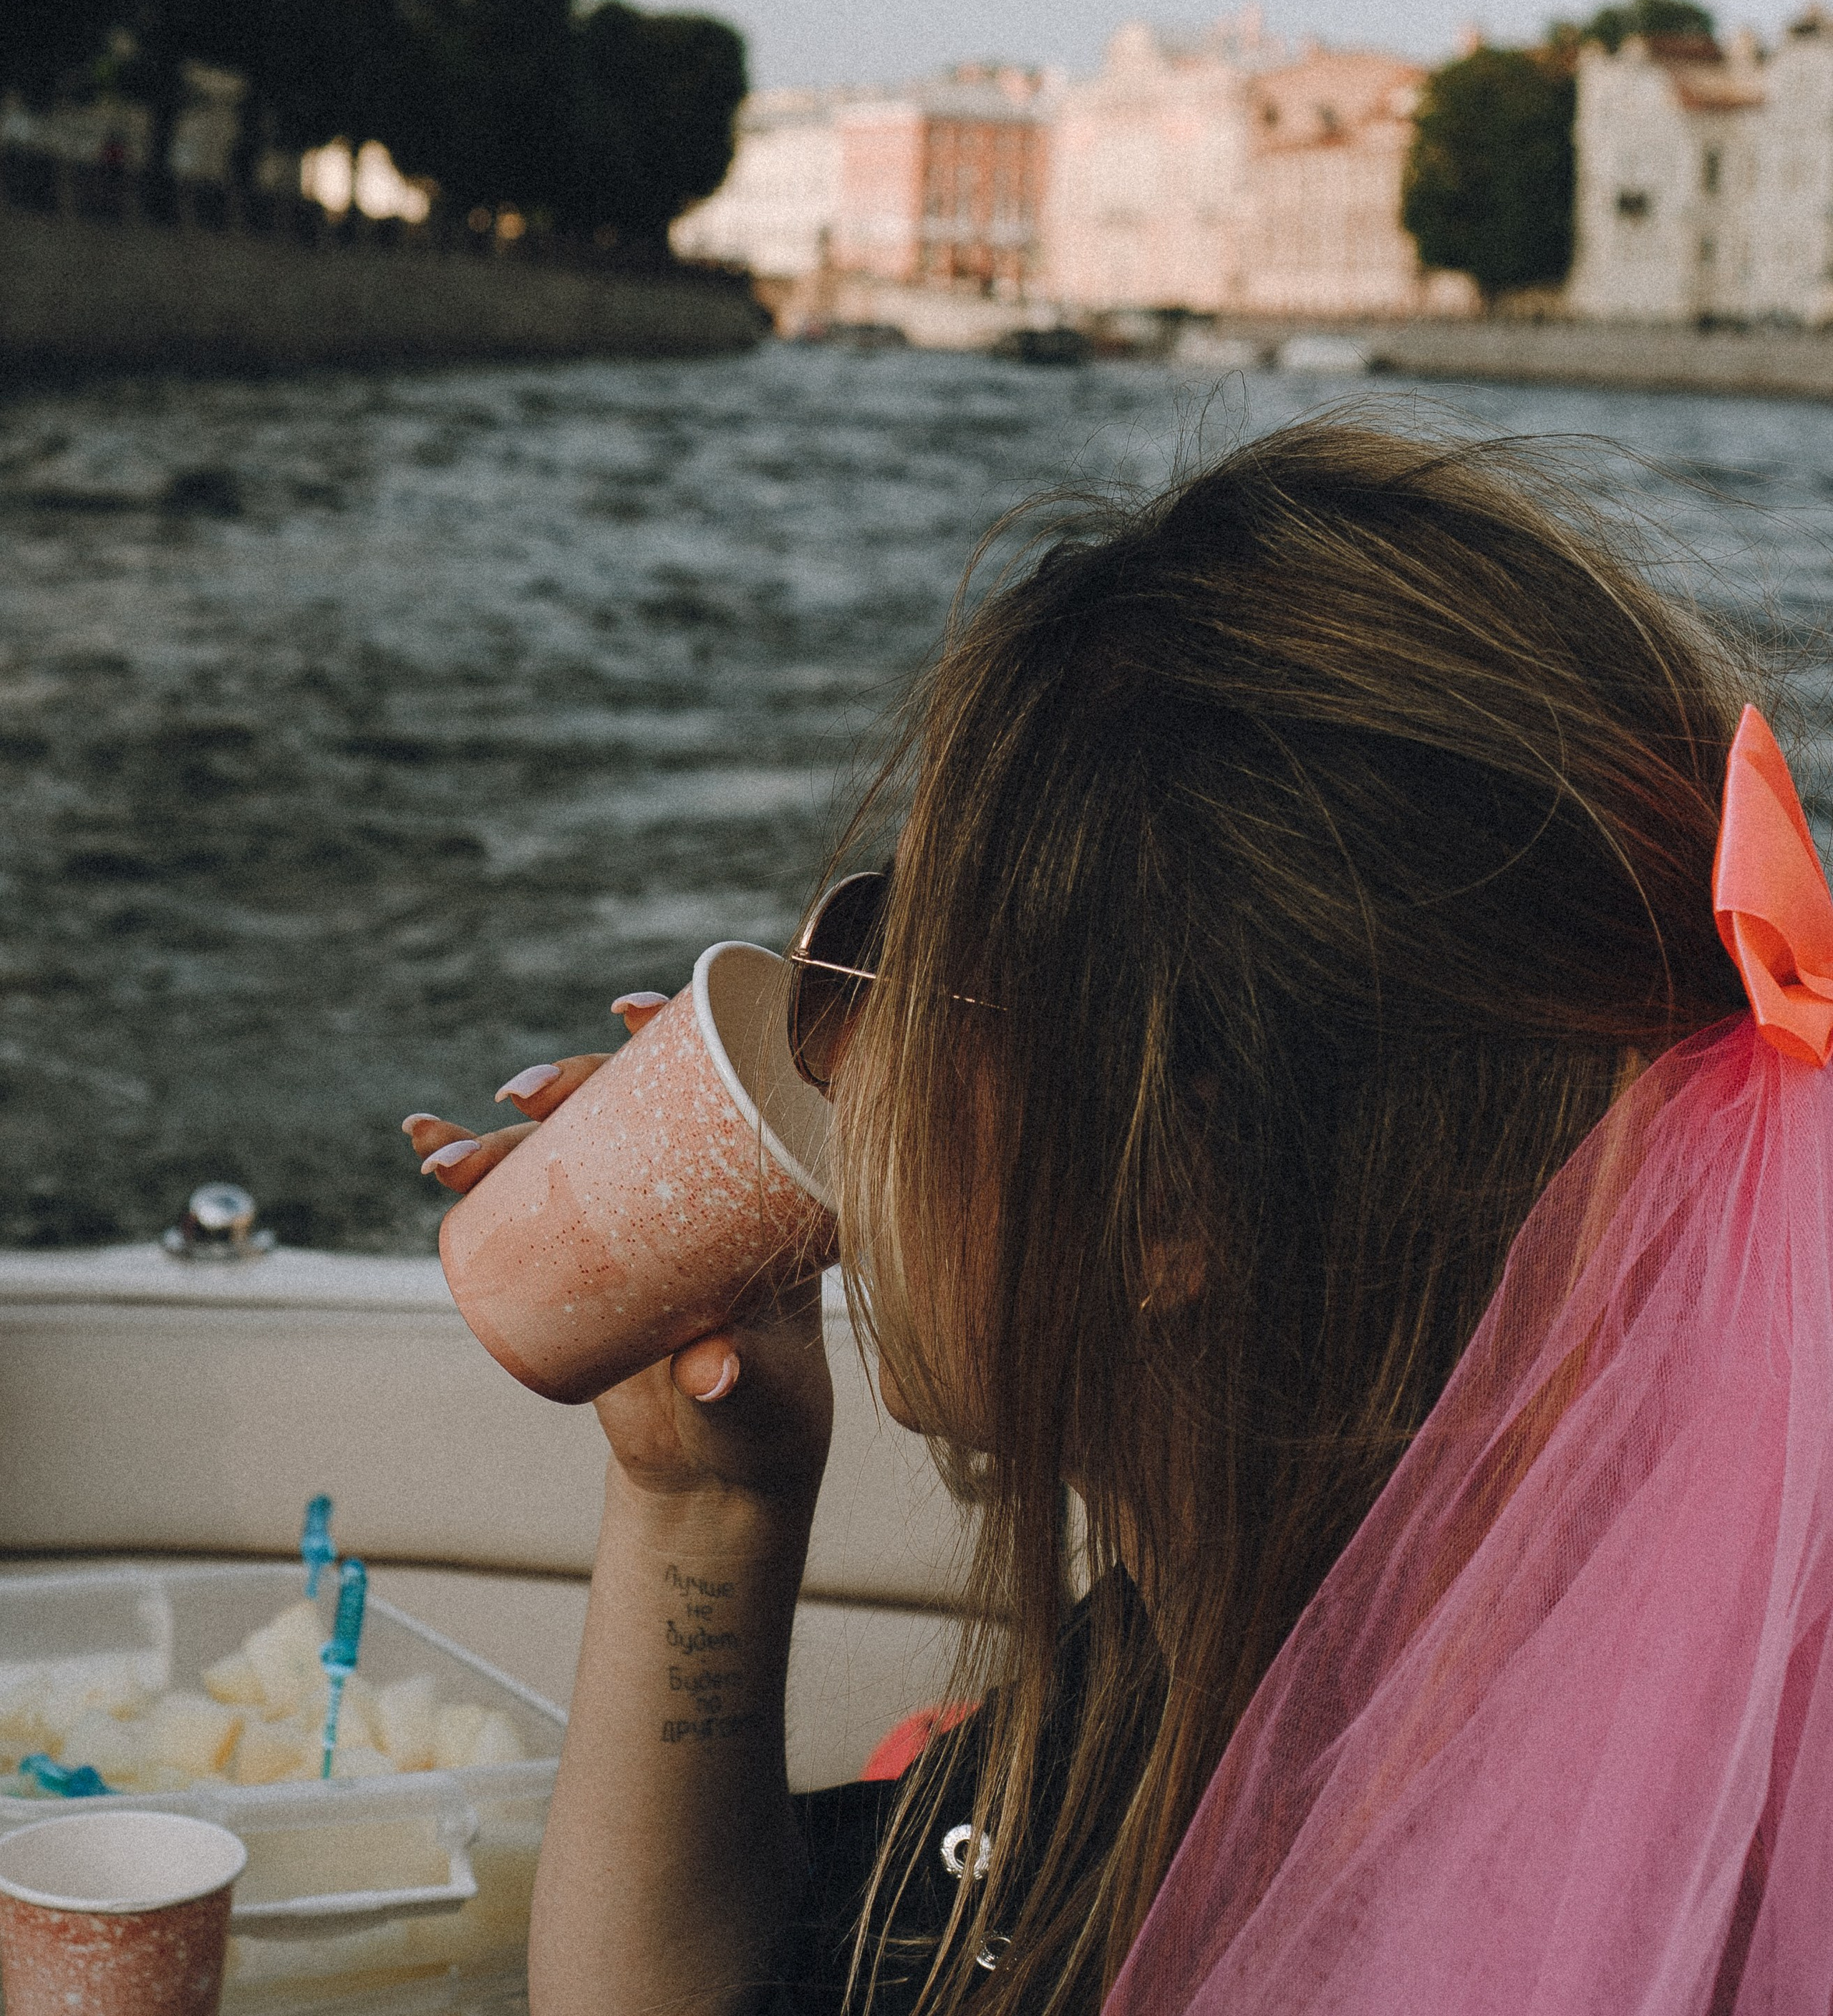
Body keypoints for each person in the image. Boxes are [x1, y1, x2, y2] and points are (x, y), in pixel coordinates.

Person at [406, 415, 1833, 2015]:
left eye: (886, 959)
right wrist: (704, 1510)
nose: (832, 1038)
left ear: (1161, 1202)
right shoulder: (1248, 1642)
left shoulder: (1361, 1889)